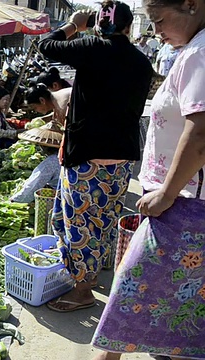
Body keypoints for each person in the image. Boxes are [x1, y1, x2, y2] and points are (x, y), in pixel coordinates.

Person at [91, 0, 205, 357]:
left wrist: (167, 194)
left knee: (126, 299)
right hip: (182, 203)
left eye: (158, 19)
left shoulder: (201, 53)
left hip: (183, 207)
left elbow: (201, 131)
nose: (155, 30)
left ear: (191, 4)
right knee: (174, 316)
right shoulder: (193, 49)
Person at [38, 1, 154, 312]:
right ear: (129, 28)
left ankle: (82, 290)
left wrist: (73, 25)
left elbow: (46, 44)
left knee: (77, 224)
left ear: (97, 25)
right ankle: (96, 269)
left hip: (86, 157)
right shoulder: (143, 64)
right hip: (120, 158)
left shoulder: (91, 46)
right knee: (103, 219)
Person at [10, 121, 64, 203]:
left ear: (44, 146)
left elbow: (33, 185)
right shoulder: (64, 157)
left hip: (60, 198)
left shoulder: (51, 161)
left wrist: (15, 200)